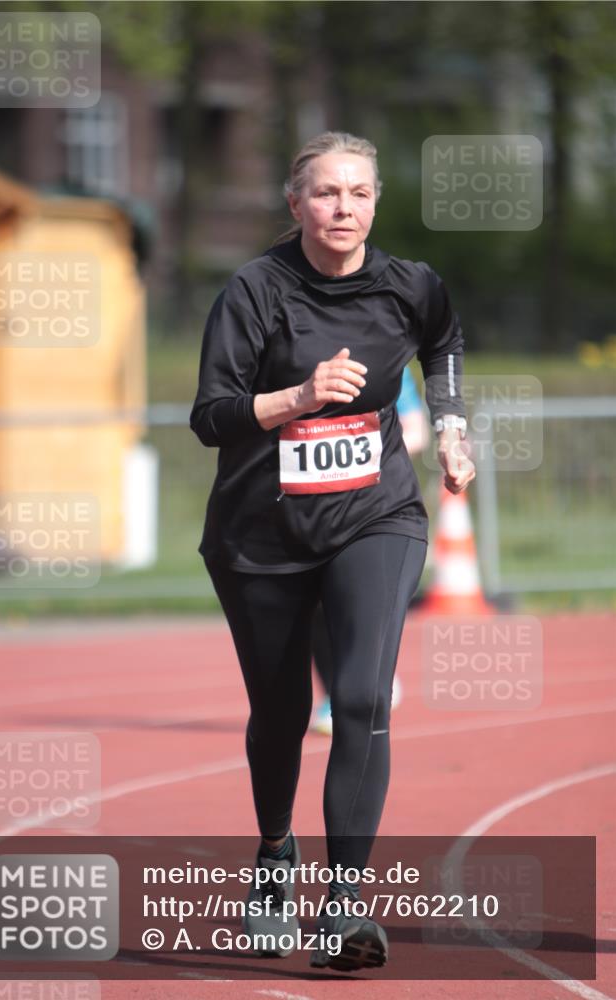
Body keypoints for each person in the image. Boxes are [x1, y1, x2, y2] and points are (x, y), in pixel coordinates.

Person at [190, 131, 474, 972]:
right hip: (260, 533)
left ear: (375, 201)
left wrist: (452, 429)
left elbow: (444, 345)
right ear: (294, 204)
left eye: (357, 193)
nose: (341, 208)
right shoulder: (254, 291)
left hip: (374, 515)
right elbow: (210, 415)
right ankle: (276, 853)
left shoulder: (409, 285)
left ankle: (343, 905)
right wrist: (298, 398)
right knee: (279, 713)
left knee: (358, 697)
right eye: (324, 193)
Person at [311, 365, 430, 735]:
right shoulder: (295, 352)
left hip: (372, 504)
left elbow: (417, 431)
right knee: (315, 604)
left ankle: (372, 675)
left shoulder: (388, 358)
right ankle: (336, 692)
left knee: (359, 596)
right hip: (310, 507)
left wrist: (360, 454)